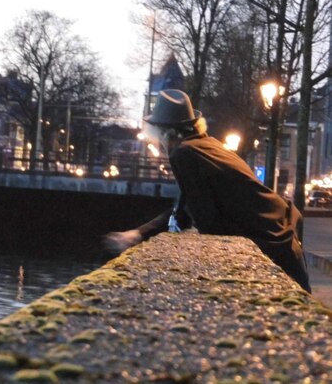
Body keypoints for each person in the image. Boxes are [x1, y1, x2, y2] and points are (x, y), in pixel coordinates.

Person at [104, 89, 311, 292]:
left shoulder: (183, 154)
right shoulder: (208, 144)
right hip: (282, 231)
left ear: (166, 134)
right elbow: (186, 208)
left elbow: (206, 219)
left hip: (271, 239)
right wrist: (139, 233)